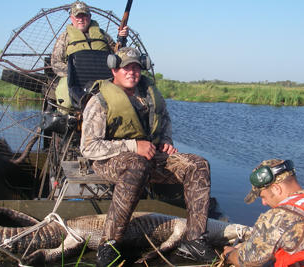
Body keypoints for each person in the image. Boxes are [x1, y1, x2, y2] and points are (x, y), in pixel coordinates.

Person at [80, 47, 217, 267]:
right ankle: (109, 244)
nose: (132, 72)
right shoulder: (99, 101)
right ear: (114, 70)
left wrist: (166, 142)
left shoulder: (150, 94)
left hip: (150, 157)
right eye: (126, 68)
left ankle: (195, 239)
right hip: (111, 162)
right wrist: (132, 146)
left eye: (136, 67)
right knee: (137, 164)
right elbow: (88, 147)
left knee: (198, 165)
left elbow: (165, 122)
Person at [223, 159, 304, 267]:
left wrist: (230, 253)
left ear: (276, 188)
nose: (264, 203)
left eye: (263, 196)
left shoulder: (279, 216)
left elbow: (246, 260)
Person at [51, 1, 129, 113]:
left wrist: (123, 38)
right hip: (74, 79)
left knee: (124, 96)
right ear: (72, 18)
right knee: (66, 101)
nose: (81, 19)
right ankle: (67, 122)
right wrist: (73, 72)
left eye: (84, 16)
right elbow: (55, 62)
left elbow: (118, 54)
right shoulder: (65, 37)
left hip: (103, 78)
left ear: (90, 16)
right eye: (77, 16)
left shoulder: (102, 34)